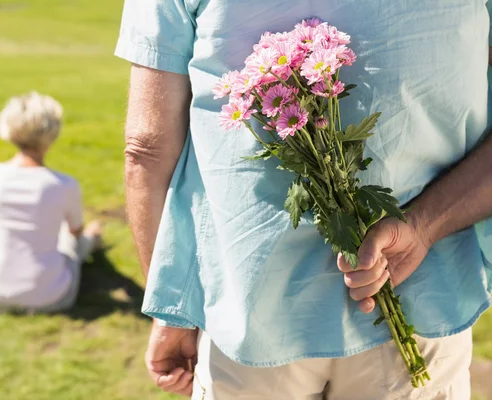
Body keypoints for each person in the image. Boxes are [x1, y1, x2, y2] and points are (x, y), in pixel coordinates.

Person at [117, 2, 492, 399]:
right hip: (422, 296)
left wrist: (171, 313)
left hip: (253, 305)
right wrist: (422, 227)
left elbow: (146, 149)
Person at [0, 92, 102, 314]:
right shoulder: (64, 185)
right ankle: (95, 239)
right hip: (50, 297)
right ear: (52, 134)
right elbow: (74, 233)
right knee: (74, 241)